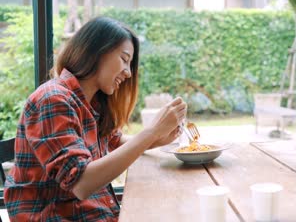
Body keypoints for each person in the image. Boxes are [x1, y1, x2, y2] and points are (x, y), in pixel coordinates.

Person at [4, 16, 187, 221]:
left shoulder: (92, 102)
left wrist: (158, 138)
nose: (127, 73)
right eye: (124, 59)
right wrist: (150, 132)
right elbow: (81, 184)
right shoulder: (52, 99)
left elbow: (116, 142)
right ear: (96, 52)